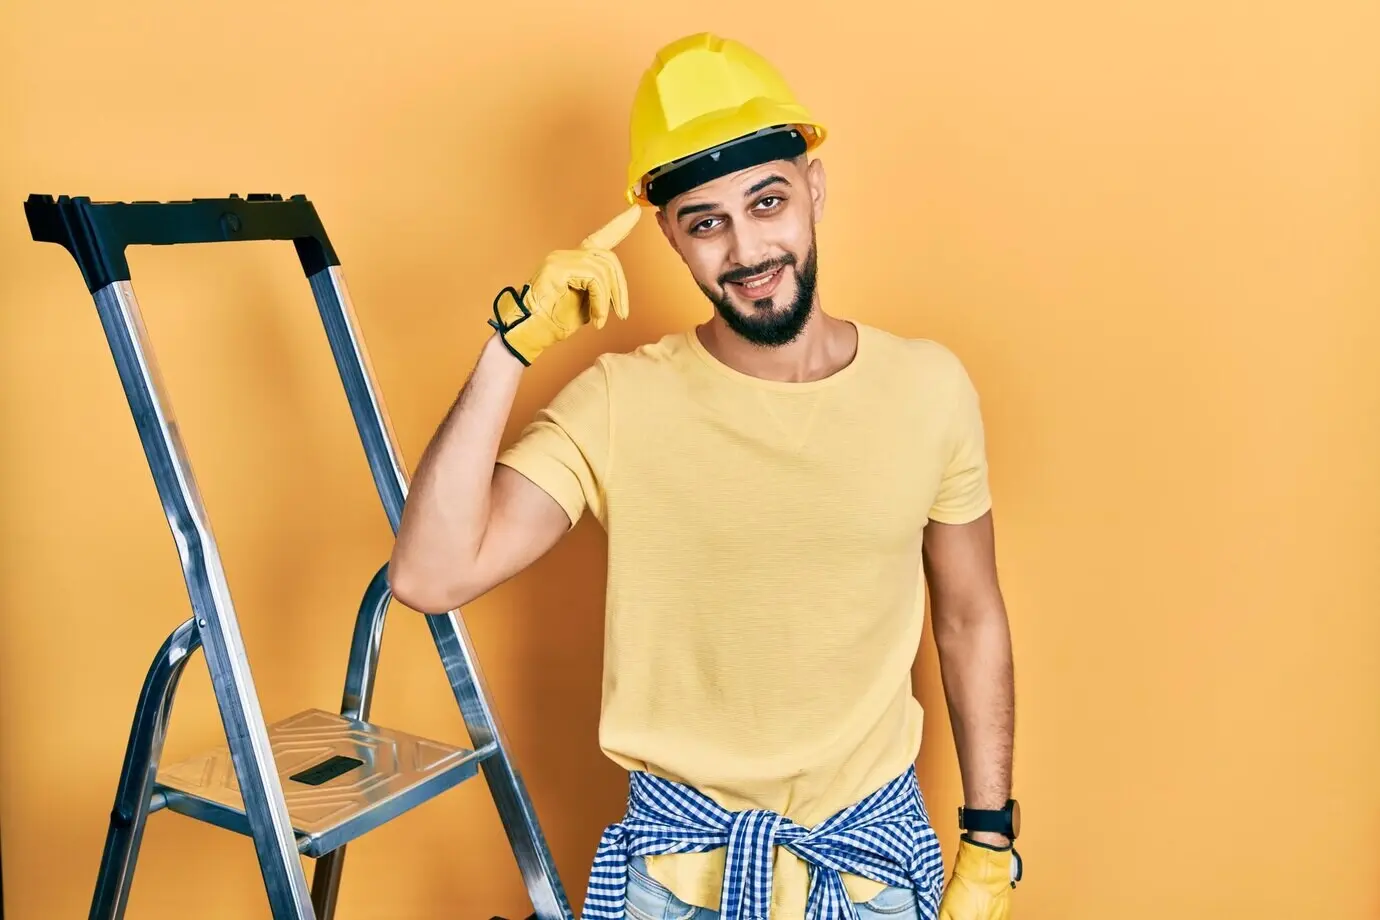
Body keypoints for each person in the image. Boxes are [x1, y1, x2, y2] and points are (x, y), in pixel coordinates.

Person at [389, 31, 1021, 920]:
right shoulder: (620, 401)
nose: (749, 249)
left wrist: (990, 839)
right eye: (707, 223)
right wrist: (511, 344)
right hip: (678, 880)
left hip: (871, 868)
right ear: (671, 240)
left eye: (768, 203)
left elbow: (969, 615)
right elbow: (428, 573)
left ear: (815, 189)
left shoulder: (929, 388)